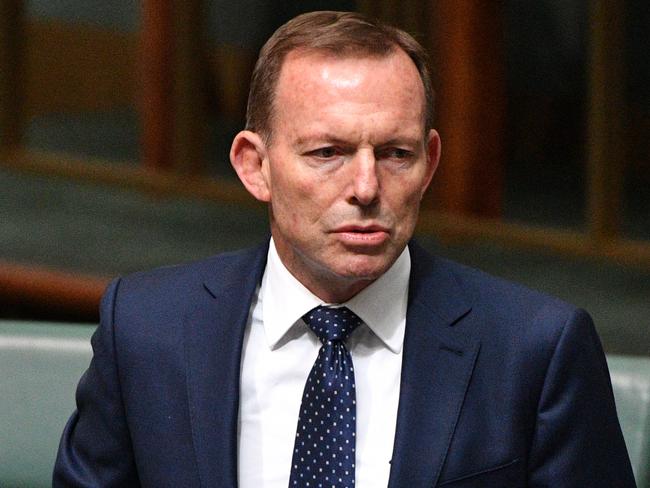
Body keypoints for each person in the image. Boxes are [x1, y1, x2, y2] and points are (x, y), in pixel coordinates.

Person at [53, 11, 635, 488]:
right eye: (327, 152)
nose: (365, 187)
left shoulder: (535, 350)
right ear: (254, 166)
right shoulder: (146, 328)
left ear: (430, 163)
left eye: (395, 154)